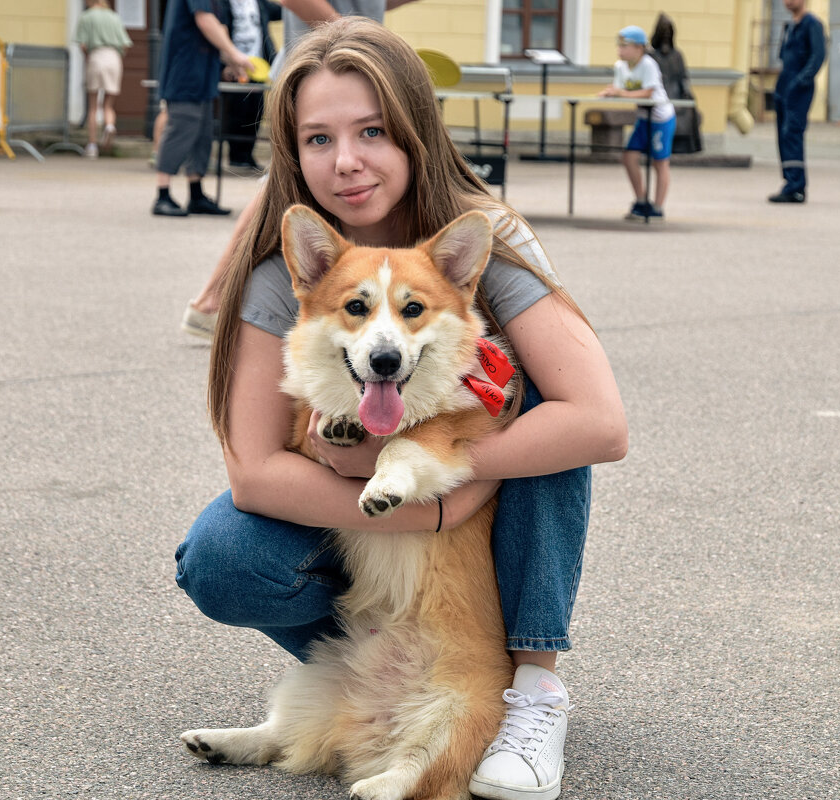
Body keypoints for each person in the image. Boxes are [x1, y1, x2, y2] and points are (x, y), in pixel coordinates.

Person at [174, 18, 628, 800]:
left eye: (371, 131)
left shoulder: (484, 238)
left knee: (549, 411)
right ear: (293, 153)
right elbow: (254, 473)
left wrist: (450, 490)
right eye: (318, 139)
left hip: (473, 522)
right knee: (218, 553)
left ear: (413, 130)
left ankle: (529, 690)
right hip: (373, 553)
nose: (345, 161)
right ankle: (379, 682)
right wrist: (386, 489)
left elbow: (601, 423)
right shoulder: (287, 273)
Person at [179, 0, 421, 338]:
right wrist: (357, 41)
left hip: (359, 68)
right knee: (278, 190)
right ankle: (213, 300)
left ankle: (214, 300)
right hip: (318, 72)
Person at [153, 0, 254, 217]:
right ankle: (162, 195)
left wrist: (230, 62)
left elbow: (220, 30)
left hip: (204, 74)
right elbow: (205, 20)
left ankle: (196, 195)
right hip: (184, 73)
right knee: (179, 131)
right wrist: (235, 54)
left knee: (202, 136)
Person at [599, 24, 675, 222]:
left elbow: (647, 92)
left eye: (625, 45)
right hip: (643, 118)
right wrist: (610, 93)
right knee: (629, 157)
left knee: (660, 162)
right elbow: (620, 88)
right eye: (619, 45)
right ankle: (641, 201)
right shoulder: (620, 66)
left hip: (660, 117)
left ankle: (658, 207)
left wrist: (620, 93)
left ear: (639, 48)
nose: (620, 49)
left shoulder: (648, 64)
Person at [770, 0, 826, 203]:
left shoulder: (812, 24)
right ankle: (789, 182)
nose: (787, 1)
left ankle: (796, 187)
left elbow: (818, 56)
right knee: (782, 136)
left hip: (799, 89)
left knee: (792, 133)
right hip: (783, 85)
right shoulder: (790, 26)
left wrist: (801, 81)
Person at [219, 0, 282, 171]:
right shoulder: (223, 3)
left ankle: (247, 155)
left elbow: (281, 11)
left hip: (257, 65)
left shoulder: (259, 2)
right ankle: (236, 156)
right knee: (237, 111)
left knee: (255, 111)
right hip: (234, 67)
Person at [73, 0, 133, 159]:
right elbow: (125, 44)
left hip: (96, 56)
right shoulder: (114, 17)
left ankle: (92, 146)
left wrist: (88, 58)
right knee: (108, 104)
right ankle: (110, 125)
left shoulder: (86, 16)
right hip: (114, 58)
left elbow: (83, 45)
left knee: (93, 105)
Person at [650, 13, 702, 155]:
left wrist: (685, 89)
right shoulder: (652, 56)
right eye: (664, 33)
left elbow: (683, 76)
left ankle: (685, 146)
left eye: (669, 33)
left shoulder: (677, 55)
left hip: (676, 90)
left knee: (689, 105)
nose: (666, 36)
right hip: (661, 91)